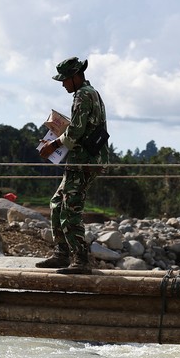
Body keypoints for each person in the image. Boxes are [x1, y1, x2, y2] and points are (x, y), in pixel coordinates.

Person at [37, 57, 109, 274]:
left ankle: (80, 259)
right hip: (83, 161)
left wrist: (52, 145)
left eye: (65, 80)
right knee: (57, 202)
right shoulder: (91, 93)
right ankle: (61, 253)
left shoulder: (82, 95)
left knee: (70, 208)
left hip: (83, 162)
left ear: (76, 77)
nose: (63, 84)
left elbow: (76, 131)